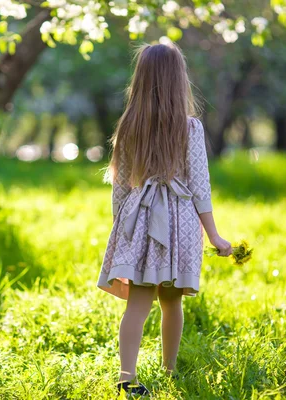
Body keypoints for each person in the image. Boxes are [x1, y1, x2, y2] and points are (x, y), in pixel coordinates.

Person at [97, 42, 233, 396]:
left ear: (140, 80)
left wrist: (120, 230)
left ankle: (127, 379)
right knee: (172, 302)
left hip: (138, 218)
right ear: (179, 80)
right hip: (178, 221)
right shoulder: (190, 127)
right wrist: (214, 236)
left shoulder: (129, 124)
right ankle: (168, 372)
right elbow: (199, 187)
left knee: (137, 304)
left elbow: (121, 187)